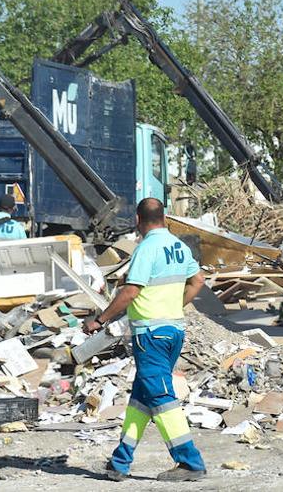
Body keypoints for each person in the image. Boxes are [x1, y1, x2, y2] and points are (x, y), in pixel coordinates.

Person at [83, 198, 206, 482]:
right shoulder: (178, 246)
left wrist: (99, 320)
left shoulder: (146, 248)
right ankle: (120, 462)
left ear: (138, 220)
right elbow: (198, 280)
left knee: (161, 397)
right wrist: (175, 306)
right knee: (142, 398)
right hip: (173, 331)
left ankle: (190, 462)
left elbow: (130, 292)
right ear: (163, 217)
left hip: (150, 335)